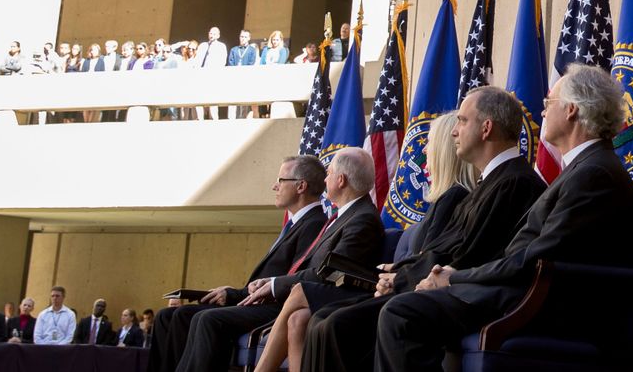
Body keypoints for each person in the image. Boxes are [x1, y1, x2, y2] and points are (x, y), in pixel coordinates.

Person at [373, 65, 633, 370]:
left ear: (571, 110)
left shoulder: (594, 173)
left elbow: (534, 258)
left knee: (401, 314)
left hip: (542, 302)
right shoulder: (584, 169)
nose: (541, 113)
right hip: (521, 291)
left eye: (547, 104)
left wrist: (454, 278)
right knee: (392, 309)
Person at [298, 87, 545, 372]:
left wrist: (403, 279)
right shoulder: (490, 184)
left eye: (462, 121)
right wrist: (400, 275)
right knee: (325, 316)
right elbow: (445, 248)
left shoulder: (514, 182)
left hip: (476, 295)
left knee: (342, 323)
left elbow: (469, 254)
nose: (454, 132)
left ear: (486, 128)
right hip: (446, 287)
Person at [173, 149, 382, 372]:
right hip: (303, 295)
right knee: (293, 314)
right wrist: (271, 282)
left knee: (212, 319)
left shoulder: (362, 219)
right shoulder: (342, 217)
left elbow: (330, 271)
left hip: (337, 296)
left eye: (328, 173)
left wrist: (275, 285)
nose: (324, 179)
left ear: (341, 180)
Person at [148, 156, 330, 372]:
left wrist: (235, 295)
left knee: (206, 318)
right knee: (167, 316)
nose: (274, 186)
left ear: (301, 186)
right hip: (255, 301)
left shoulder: (314, 224)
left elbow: (291, 281)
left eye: (280, 180)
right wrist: (232, 292)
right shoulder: (295, 224)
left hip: (275, 308)